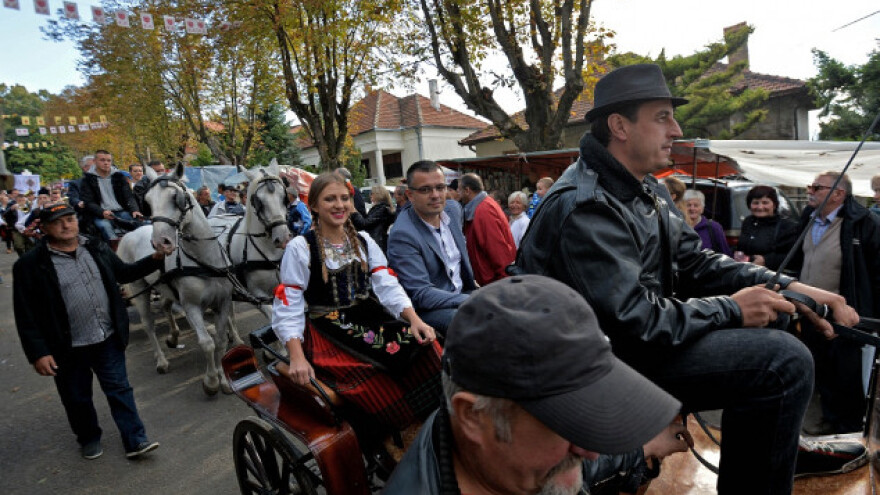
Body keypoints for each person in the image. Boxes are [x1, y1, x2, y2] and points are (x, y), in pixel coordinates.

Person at [516, 63, 860, 493]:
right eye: (662, 117)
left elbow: (696, 263)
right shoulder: (587, 206)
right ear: (619, 126)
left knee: (776, 326)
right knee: (780, 361)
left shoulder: (647, 187)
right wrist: (733, 308)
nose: (676, 129)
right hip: (590, 370)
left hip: (627, 350)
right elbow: (633, 323)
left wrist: (792, 287)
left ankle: (776, 449)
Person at [384, 275, 692, 494]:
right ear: (473, 416)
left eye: (588, 413)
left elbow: (568, 466)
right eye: (565, 421)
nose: (592, 450)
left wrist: (640, 448)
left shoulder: (494, 450)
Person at [272, 172, 442, 456]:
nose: (339, 205)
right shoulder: (302, 248)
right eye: (330, 199)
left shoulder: (363, 240)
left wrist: (414, 319)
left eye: (343, 198)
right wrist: (296, 355)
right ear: (313, 205)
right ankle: (386, 437)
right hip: (326, 327)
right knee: (369, 373)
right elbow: (288, 303)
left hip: (368, 315)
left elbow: (386, 284)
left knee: (427, 347)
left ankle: (423, 423)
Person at [13, 202, 171, 460]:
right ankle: (88, 437)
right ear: (44, 228)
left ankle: (136, 440)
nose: (66, 225)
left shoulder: (96, 247)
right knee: (77, 397)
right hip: (66, 345)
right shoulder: (31, 265)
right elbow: (25, 315)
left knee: (120, 389)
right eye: (58, 222)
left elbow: (125, 272)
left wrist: (156, 258)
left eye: (70, 219)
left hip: (106, 336)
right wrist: (38, 353)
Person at [793, 171, 880, 435]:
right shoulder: (807, 219)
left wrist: (868, 312)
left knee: (847, 375)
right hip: (810, 311)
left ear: (838, 194)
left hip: (846, 314)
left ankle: (850, 430)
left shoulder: (863, 223)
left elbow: (876, 270)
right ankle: (830, 423)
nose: (810, 190)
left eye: (817, 187)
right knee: (822, 372)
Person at [388, 161, 476, 336]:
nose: (435, 195)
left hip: (464, 294)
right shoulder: (403, 235)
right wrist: (472, 299)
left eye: (440, 187)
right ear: (410, 195)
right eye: (425, 190)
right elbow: (421, 294)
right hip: (429, 309)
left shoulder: (453, 210)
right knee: (474, 321)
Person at [459, 173, 517, 285]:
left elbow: (497, 249)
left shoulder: (483, 210)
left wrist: (504, 282)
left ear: (467, 190)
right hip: (493, 281)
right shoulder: (483, 206)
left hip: (495, 283)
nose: (458, 193)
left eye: (459, 189)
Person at [80, 150, 143, 242]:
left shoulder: (119, 176)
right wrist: (102, 212)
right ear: (94, 162)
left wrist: (135, 210)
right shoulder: (87, 179)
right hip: (100, 214)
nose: (106, 163)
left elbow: (128, 196)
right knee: (105, 227)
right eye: (102, 160)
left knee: (140, 224)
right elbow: (88, 201)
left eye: (109, 160)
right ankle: (115, 251)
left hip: (120, 211)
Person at [735, 185, 799, 270]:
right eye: (755, 203)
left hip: (772, 277)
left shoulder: (787, 226)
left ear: (774, 205)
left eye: (765, 203)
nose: (760, 207)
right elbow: (742, 246)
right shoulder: (748, 222)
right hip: (748, 274)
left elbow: (795, 258)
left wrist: (766, 260)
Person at [683, 189, 733, 256]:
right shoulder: (678, 227)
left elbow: (726, 255)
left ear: (702, 209)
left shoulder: (714, 228)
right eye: (688, 205)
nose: (692, 208)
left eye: (696, 205)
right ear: (683, 207)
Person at [360, 185, 395, 253]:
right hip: (379, 241)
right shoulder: (383, 208)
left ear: (378, 194)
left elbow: (365, 223)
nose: (370, 195)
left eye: (372, 193)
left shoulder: (381, 209)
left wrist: (354, 212)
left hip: (378, 242)